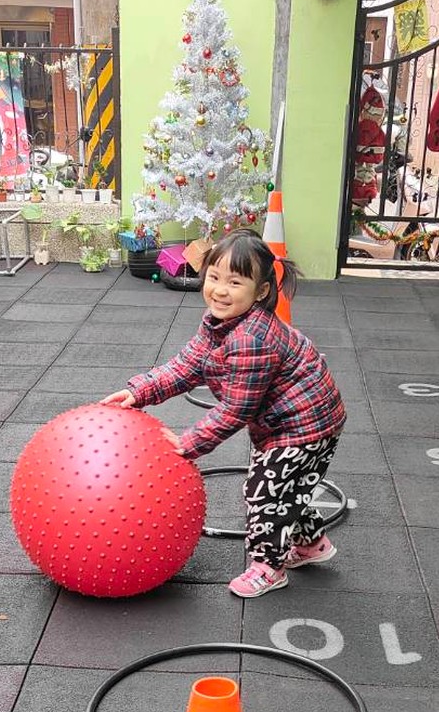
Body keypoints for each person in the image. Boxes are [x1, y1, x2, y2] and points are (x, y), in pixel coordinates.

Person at [102, 229, 346, 600]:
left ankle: (269, 567)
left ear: (261, 292)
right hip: (298, 419)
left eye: (235, 282)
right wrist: (141, 391)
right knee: (288, 487)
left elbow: (237, 408)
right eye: (214, 277)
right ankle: (312, 543)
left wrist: (189, 443)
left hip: (303, 426)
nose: (219, 290)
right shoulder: (218, 321)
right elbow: (187, 364)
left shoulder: (251, 340)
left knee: (265, 492)